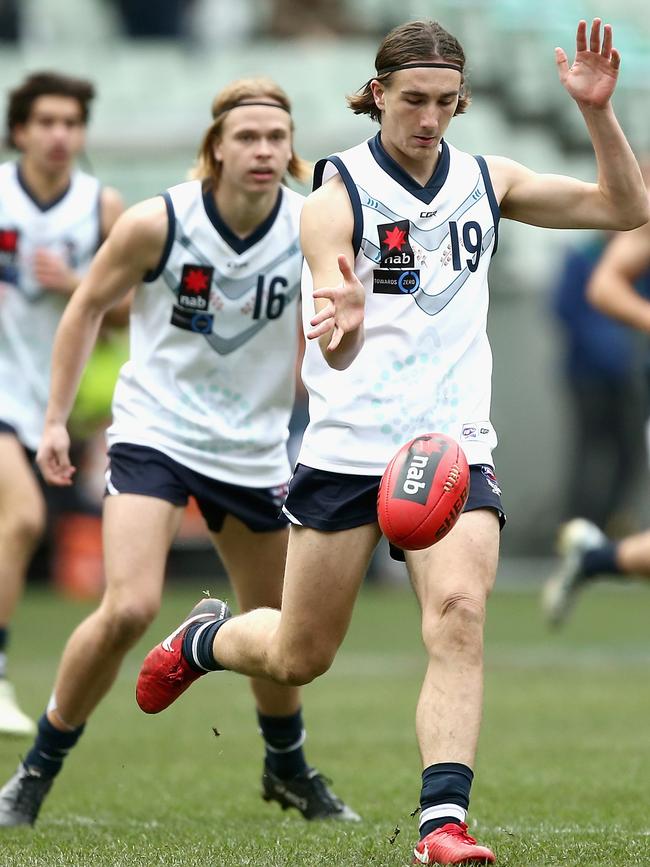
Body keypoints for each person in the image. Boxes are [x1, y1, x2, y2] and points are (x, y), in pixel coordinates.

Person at [137, 18, 648, 865]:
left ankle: (442, 823)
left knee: (459, 615)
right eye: (413, 100)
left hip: (450, 449)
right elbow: (330, 334)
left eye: (447, 102)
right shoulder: (334, 194)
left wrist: (597, 112)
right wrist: (341, 320)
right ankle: (204, 639)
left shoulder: (488, 179)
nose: (429, 118)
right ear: (378, 94)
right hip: (346, 451)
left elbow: (624, 208)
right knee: (300, 654)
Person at [0, 77, 358, 826]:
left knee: (278, 625)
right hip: (154, 430)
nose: (263, 150)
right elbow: (87, 305)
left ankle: (287, 766)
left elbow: (344, 329)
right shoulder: (159, 219)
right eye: (247, 138)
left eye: (276, 137)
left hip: (253, 447)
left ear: (292, 148)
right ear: (216, 147)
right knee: (129, 606)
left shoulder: (309, 225)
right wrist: (57, 420)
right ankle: (33, 774)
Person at [0, 72, 124, 737]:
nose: (59, 135)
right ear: (20, 130)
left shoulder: (100, 207)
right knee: (20, 519)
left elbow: (135, 307)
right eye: (45, 122)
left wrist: (81, 284)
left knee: (20, 522)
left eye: (70, 124)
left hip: (48, 398)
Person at [543, 209, 650, 629]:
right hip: (590, 374)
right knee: (590, 456)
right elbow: (603, 286)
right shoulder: (584, 253)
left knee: (624, 459)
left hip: (624, 374)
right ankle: (585, 534)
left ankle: (593, 555)